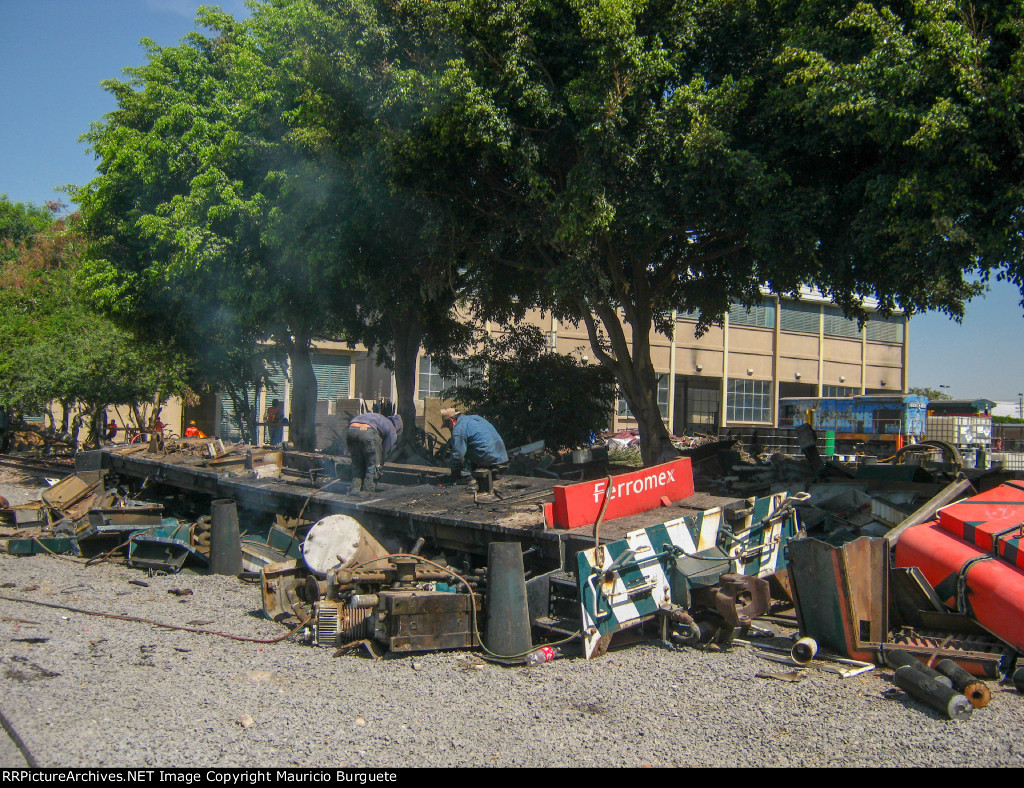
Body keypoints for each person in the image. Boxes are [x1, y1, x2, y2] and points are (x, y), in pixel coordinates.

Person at [440, 408, 508, 481]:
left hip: (487, 457)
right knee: (473, 443)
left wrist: (454, 473)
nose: (449, 429)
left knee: (460, 449)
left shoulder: (459, 428)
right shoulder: (476, 418)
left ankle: (466, 477)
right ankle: (489, 468)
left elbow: (458, 455)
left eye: (448, 426)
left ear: (451, 421)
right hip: (502, 456)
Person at [346, 412, 403, 494]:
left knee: (357, 463)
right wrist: (380, 463)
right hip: (368, 431)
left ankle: (355, 489)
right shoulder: (392, 429)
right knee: (372, 465)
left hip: (351, 429)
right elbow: (386, 449)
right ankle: (367, 492)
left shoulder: (381, 419)